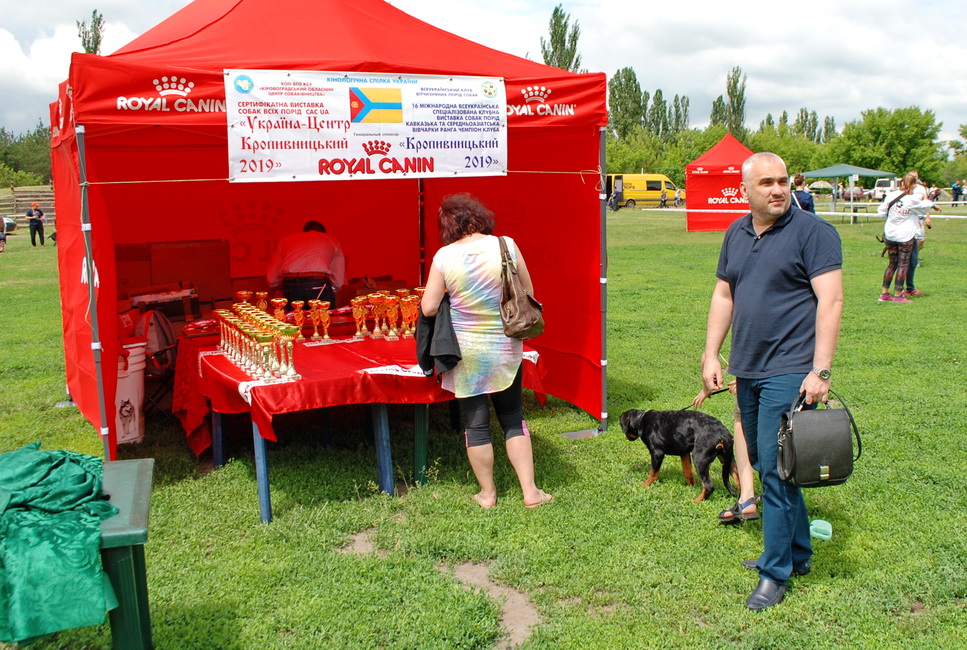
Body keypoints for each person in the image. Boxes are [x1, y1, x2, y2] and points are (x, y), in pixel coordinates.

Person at [702, 152, 843, 611]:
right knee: (770, 462)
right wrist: (710, 352)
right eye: (766, 182)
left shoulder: (814, 233)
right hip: (748, 367)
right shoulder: (736, 233)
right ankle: (798, 552)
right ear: (745, 189)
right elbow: (725, 293)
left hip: (792, 370)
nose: (777, 189)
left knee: (777, 472)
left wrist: (820, 370)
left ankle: (774, 572)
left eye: (782, 181)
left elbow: (831, 300)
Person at [420, 193, 551, 510]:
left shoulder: (444, 257)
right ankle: (531, 492)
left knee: (475, 425)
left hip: (466, 353)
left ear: (448, 226)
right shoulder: (506, 244)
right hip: (505, 345)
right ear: (479, 217)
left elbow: (428, 307)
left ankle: (487, 495)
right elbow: (528, 292)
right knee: (513, 418)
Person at [692, 363, 757, 525]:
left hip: (753, 379)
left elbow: (707, 357)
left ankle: (747, 496)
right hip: (779, 376)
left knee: (742, 425)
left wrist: (706, 389)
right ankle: (763, 494)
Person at [878, 173, 933, 302]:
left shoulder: (891, 196)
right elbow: (925, 207)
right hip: (905, 235)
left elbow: (881, 212)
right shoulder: (912, 199)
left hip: (890, 234)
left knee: (892, 264)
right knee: (903, 264)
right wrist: (926, 199)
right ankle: (898, 294)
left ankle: (884, 294)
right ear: (914, 185)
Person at [266, 220, 345, 306]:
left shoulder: (286, 239)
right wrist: (334, 289)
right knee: (321, 316)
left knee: (293, 317)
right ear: (324, 232)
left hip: (289, 282)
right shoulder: (331, 239)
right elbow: (338, 275)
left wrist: (276, 286)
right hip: (317, 282)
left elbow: (272, 277)